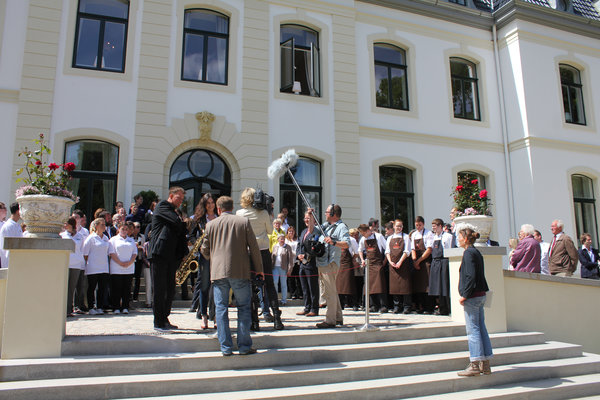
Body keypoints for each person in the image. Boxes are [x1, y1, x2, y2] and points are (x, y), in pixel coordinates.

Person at [201, 196, 264, 356]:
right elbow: (254, 248)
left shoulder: (210, 225)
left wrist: (213, 258)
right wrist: (259, 269)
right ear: (232, 207)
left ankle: (226, 348)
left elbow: (204, 250)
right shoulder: (243, 222)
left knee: (221, 309)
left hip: (218, 272)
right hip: (240, 271)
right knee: (243, 308)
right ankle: (244, 347)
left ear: (218, 209)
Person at [237, 187, 284, 330]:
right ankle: (277, 319)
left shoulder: (239, 213)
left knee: (251, 286)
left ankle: (254, 321)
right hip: (263, 251)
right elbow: (270, 231)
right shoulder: (263, 213)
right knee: (269, 284)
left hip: (248, 252)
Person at [148, 187, 189, 332]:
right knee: (159, 289)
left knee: (170, 289)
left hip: (171, 254)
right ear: (171, 196)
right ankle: (158, 321)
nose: (181, 202)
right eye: (179, 198)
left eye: (182, 199)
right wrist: (183, 222)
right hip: (159, 253)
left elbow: (182, 230)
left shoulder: (175, 212)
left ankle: (164, 317)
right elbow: (177, 223)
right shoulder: (163, 206)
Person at [457, 226, 493, 377]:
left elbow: (470, 276)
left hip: (472, 296)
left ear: (465, 238)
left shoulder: (468, 253)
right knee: (481, 327)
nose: (457, 239)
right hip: (480, 294)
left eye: (459, 236)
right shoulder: (476, 252)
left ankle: (475, 364)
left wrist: (465, 295)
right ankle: (485, 363)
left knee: (473, 330)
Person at [314, 204, 351, 329]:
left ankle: (330, 320)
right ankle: (338, 317)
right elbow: (313, 230)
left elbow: (347, 244)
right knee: (332, 291)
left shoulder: (341, 227)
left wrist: (334, 242)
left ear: (333, 214)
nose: (325, 213)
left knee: (330, 292)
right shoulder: (326, 226)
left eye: (327, 212)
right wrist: (309, 215)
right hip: (323, 262)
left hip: (330, 263)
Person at [189, 193, 218, 329]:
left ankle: (215, 315)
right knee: (204, 286)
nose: (211, 205)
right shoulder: (199, 220)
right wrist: (198, 246)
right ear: (204, 205)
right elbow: (191, 235)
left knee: (216, 286)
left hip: (218, 255)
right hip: (204, 256)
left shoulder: (219, 218)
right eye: (208, 203)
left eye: (212, 202)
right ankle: (204, 316)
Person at [82, 218, 111, 315]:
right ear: (96, 226)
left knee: (102, 288)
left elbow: (108, 252)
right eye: (102, 224)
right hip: (93, 267)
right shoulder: (91, 238)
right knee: (92, 287)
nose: (104, 226)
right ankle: (91, 307)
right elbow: (85, 254)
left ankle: (100, 307)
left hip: (103, 267)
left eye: (104, 224)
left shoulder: (106, 238)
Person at [358, 223, 388, 313]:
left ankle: (383, 306)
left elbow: (387, 249)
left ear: (368, 231)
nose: (363, 235)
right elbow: (359, 250)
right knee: (370, 286)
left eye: (363, 233)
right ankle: (373, 305)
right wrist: (362, 260)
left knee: (380, 285)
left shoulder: (379, 236)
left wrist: (384, 262)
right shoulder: (363, 239)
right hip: (369, 265)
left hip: (378, 264)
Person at [109, 221, 138, 314]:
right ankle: (116, 307)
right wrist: (120, 262)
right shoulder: (113, 240)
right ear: (118, 229)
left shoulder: (131, 240)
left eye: (126, 229)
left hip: (129, 268)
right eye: (123, 229)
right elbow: (111, 253)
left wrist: (129, 262)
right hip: (116, 267)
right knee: (116, 288)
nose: (124, 231)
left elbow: (135, 253)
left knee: (127, 288)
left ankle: (125, 306)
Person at [296, 211, 320, 317]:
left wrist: (310, 213)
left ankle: (314, 309)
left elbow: (314, 246)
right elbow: (298, 245)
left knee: (312, 288)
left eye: (309, 218)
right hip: (302, 264)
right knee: (305, 288)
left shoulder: (315, 231)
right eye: (305, 218)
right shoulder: (303, 231)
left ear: (314, 220)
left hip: (311, 263)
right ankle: (307, 307)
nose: (306, 220)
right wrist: (299, 255)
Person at [385, 219, 412, 314]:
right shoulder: (389, 238)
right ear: (394, 227)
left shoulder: (406, 237)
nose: (399, 228)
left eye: (401, 226)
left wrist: (400, 261)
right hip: (393, 265)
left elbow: (407, 251)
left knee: (405, 286)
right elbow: (387, 251)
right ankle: (397, 306)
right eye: (397, 226)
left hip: (403, 264)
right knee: (394, 286)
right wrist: (390, 262)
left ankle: (407, 306)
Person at [61, 217, 85, 317]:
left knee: (72, 287)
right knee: (64, 287)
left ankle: (69, 309)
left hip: (76, 264)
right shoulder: (62, 235)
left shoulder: (80, 236)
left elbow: (82, 249)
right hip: (66, 263)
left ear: (71, 224)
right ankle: (63, 309)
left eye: (66, 223)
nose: (65, 225)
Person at [429, 218, 453, 315]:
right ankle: (440, 307)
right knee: (437, 287)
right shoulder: (434, 237)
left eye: (435, 226)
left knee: (444, 287)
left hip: (444, 262)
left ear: (440, 226)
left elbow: (449, 250)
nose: (433, 228)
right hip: (435, 262)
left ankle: (446, 308)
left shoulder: (448, 236)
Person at [411, 216, 434, 313]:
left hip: (426, 261)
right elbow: (413, 249)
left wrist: (419, 261)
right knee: (419, 286)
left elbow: (429, 249)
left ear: (423, 224)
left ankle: (429, 307)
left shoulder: (428, 233)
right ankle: (421, 306)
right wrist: (414, 260)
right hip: (417, 263)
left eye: (420, 225)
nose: (418, 227)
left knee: (427, 285)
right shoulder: (414, 235)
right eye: (416, 225)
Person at [271, 234, 294, 305]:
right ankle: (275, 299)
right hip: (275, 267)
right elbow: (272, 257)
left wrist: (289, 269)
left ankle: (284, 300)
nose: (282, 240)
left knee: (283, 284)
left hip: (283, 268)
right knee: (275, 282)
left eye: (283, 239)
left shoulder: (288, 247)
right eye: (281, 239)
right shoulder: (275, 246)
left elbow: (290, 259)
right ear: (278, 239)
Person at [0, 202, 23, 268]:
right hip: (8, 264)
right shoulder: (8, 226)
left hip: (16, 262)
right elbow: (6, 250)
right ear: (18, 211)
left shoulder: (17, 226)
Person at [285, 226, 302, 300]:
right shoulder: (286, 240)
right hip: (289, 262)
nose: (291, 233)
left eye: (292, 231)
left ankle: (300, 293)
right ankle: (293, 294)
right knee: (291, 279)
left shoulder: (298, 239)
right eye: (289, 231)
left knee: (299, 278)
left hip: (297, 261)